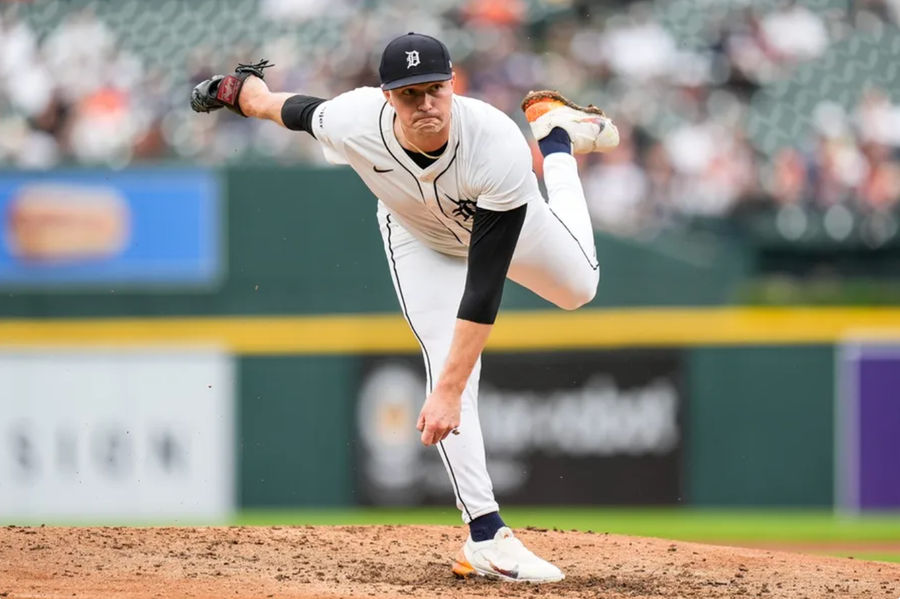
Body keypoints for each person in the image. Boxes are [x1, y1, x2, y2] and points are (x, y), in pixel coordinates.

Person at [191, 32, 618, 583]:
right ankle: (486, 535)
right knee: (447, 364)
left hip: (501, 216)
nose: (425, 105)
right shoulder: (352, 120)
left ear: (452, 84)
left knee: (578, 289)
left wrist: (446, 392)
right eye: (409, 93)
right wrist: (239, 90)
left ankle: (556, 139)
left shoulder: (494, 142)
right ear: (386, 96)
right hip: (419, 238)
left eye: (435, 89)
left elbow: (484, 288)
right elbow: (280, 107)